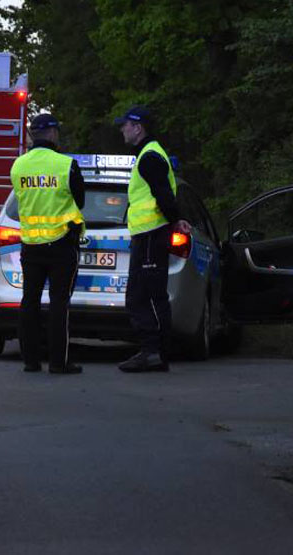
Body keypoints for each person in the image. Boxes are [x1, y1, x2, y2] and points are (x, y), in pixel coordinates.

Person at [114, 106, 192, 372]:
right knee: (143, 295)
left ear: (138, 127)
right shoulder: (148, 155)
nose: (122, 129)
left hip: (151, 235)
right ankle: (152, 351)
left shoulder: (150, 157)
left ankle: (154, 352)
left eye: (125, 125)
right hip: (149, 234)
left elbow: (163, 194)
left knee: (144, 296)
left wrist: (174, 219)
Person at [10, 113, 86, 374]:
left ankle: (30, 361)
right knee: (58, 303)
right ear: (53, 133)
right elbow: (80, 201)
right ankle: (58, 362)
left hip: (30, 243)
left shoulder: (18, 166)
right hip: (61, 243)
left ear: (33, 134)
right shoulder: (66, 165)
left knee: (29, 301)